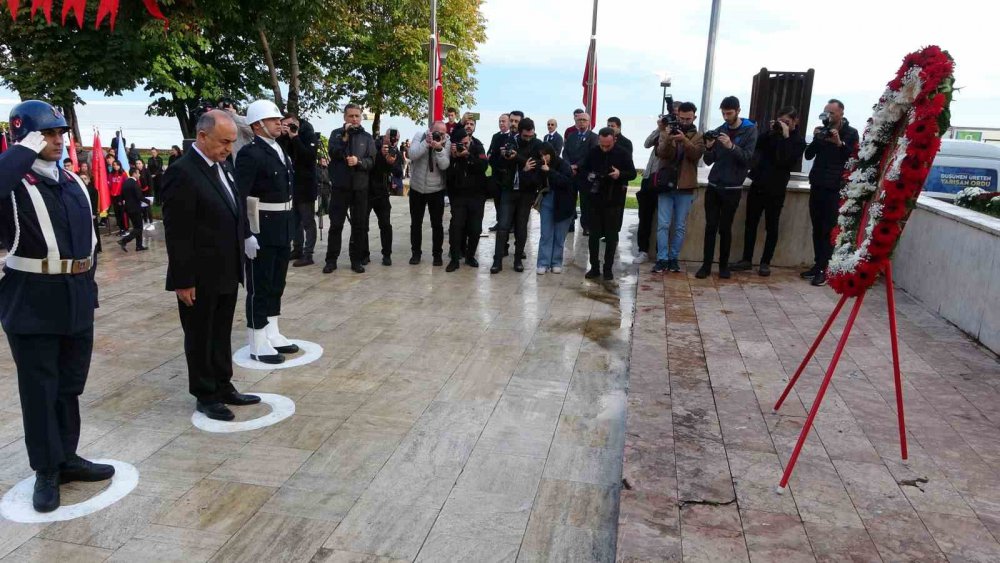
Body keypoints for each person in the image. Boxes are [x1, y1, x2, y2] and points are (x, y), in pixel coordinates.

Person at [0, 100, 111, 513]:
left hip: (76, 298)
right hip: (32, 302)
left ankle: (67, 456)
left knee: (69, 386)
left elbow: (90, 243)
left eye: (60, 133)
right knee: (39, 390)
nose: (57, 140)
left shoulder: (72, 181)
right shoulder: (14, 183)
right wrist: (23, 149)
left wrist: (90, 289)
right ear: (24, 137)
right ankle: (46, 468)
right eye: (47, 133)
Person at [162, 110, 262, 422]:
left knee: (220, 332)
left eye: (232, 143)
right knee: (200, 334)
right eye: (223, 142)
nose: (228, 149)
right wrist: (183, 279)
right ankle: (205, 394)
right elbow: (177, 231)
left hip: (226, 269)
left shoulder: (223, 166)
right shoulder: (183, 172)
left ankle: (223, 383)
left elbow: (232, 209)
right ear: (202, 136)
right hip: (199, 274)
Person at [235, 100, 299, 364]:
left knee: (277, 282)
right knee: (259, 285)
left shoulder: (278, 149)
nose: (279, 123)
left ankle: (272, 331)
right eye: (273, 120)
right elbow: (240, 197)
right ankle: (257, 339)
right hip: (262, 228)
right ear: (258, 124)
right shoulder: (250, 154)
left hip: (282, 226)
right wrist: (247, 234)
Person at [731, 106, 807, 276]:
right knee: (750, 223)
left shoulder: (798, 141)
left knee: (772, 226)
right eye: (781, 121)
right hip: (759, 184)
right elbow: (757, 145)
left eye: (787, 122)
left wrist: (786, 136)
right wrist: (771, 130)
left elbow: (785, 160)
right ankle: (746, 259)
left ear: (796, 121)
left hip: (777, 188)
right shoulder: (772, 136)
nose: (784, 125)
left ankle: (766, 262)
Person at [698, 96, 758, 279]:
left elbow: (748, 159)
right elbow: (709, 161)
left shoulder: (750, 130)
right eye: (723, 113)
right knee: (710, 227)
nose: (725, 117)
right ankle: (706, 266)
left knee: (725, 228)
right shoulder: (719, 130)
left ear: (738, 111)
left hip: (732, 187)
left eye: (729, 113)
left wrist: (731, 146)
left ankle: (723, 266)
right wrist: (708, 148)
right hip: (715, 185)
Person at [802, 99, 860, 286]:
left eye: (832, 113)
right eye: (826, 112)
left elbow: (851, 158)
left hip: (835, 187)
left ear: (841, 114)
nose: (828, 116)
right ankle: (817, 263)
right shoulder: (821, 130)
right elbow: (808, 154)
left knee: (828, 229)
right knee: (817, 227)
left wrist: (838, 143)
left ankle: (824, 269)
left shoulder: (851, 133)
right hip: (818, 183)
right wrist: (817, 138)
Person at [650, 102, 705, 274]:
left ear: (694, 117)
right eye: (682, 118)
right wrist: (665, 135)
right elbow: (661, 153)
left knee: (680, 226)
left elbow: (696, 155)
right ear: (677, 116)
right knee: (663, 225)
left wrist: (684, 140)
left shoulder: (698, 136)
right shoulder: (668, 130)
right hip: (666, 185)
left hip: (685, 186)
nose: (685, 121)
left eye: (689, 118)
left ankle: (673, 258)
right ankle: (662, 259)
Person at [324, 104, 376, 274]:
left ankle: (356, 260)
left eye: (357, 116)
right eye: (351, 116)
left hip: (360, 188)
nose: (354, 119)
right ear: (345, 117)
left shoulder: (367, 137)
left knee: (359, 225)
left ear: (361, 117)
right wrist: (344, 138)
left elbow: (372, 161)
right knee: (336, 225)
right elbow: (333, 152)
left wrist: (359, 162)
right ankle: (331, 260)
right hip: (340, 187)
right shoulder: (336, 134)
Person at [580, 127, 637, 280]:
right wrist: (590, 176)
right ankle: (594, 266)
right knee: (594, 235)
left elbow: (632, 173)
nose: (604, 148)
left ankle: (608, 268)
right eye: (602, 144)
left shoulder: (622, 153)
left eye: (608, 145)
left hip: (614, 199)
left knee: (611, 236)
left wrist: (620, 174)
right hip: (595, 199)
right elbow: (583, 170)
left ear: (614, 140)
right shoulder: (593, 152)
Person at [491, 117, 543, 274]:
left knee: (521, 227)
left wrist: (518, 159)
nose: (528, 138)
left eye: (530, 135)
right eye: (525, 136)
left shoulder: (537, 144)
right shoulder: (510, 141)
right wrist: (505, 157)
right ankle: (497, 261)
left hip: (526, 192)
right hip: (509, 189)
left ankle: (518, 259)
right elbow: (499, 162)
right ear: (520, 132)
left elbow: (534, 164)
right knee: (503, 226)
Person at [445, 118, 488, 271]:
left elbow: (483, 166)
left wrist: (468, 155)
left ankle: (470, 256)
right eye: (461, 142)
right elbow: (448, 174)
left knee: (475, 229)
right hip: (459, 196)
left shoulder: (478, 148)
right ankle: (455, 259)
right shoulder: (452, 153)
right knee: (457, 227)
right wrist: (454, 158)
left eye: (466, 141)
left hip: (477, 195)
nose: (464, 144)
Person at [407, 120, 451, 265]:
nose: (440, 135)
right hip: (417, 188)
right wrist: (426, 143)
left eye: (442, 133)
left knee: (437, 224)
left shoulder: (447, 142)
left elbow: (445, 165)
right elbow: (411, 154)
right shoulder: (420, 136)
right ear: (429, 130)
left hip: (436, 189)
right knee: (416, 223)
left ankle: (437, 255)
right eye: (436, 132)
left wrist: (439, 149)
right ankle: (416, 254)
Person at [279, 113, 319, 268]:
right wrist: (283, 136)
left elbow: (308, 157)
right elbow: (281, 155)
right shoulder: (284, 137)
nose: (289, 128)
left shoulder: (307, 134)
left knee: (307, 220)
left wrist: (295, 137)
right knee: (294, 219)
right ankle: (297, 249)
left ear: (297, 123)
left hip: (306, 184)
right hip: (291, 184)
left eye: (291, 125)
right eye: (285, 125)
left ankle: (308, 254)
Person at [535, 142, 575, 274]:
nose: (543, 158)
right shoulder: (540, 165)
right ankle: (543, 263)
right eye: (541, 156)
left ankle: (556, 262)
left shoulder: (563, 165)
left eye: (545, 155)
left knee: (559, 235)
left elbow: (567, 182)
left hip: (563, 203)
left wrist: (550, 172)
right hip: (547, 200)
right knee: (546, 233)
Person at [366, 129, 401, 266]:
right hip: (367, 191)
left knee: (385, 225)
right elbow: (369, 165)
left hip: (382, 193)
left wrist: (391, 162)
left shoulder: (395, 151)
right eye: (391, 137)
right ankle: (364, 254)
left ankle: (387, 255)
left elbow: (398, 172)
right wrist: (381, 155)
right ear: (385, 136)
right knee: (363, 224)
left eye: (396, 138)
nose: (393, 140)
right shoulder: (373, 145)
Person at [562, 112, 599, 235]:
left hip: (584, 174)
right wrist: (569, 165)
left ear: (589, 122)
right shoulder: (571, 136)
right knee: (569, 200)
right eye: (579, 120)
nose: (581, 122)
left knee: (585, 202)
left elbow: (590, 154)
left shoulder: (593, 137)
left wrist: (577, 165)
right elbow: (565, 152)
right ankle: (569, 224)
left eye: (584, 120)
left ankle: (586, 226)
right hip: (571, 174)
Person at [486, 113, 511, 232]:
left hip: (507, 174)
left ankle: (509, 224)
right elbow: (490, 151)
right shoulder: (495, 136)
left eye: (503, 121)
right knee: (497, 199)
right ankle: (499, 221)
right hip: (496, 173)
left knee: (506, 201)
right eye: (500, 121)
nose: (501, 123)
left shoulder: (511, 137)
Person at [117, 168, 148, 251]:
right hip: (135, 209)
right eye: (138, 173)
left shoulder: (125, 183)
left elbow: (121, 195)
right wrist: (148, 201)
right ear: (134, 174)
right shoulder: (135, 183)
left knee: (136, 227)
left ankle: (139, 246)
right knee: (139, 228)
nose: (139, 175)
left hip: (128, 209)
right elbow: (139, 196)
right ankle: (124, 240)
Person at [108, 159, 128, 235]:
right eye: (114, 165)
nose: (116, 166)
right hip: (114, 196)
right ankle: (121, 228)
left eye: (117, 165)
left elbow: (126, 186)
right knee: (117, 213)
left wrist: (124, 198)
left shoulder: (123, 174)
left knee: (122, 213)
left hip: (121, 196)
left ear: (120, 165)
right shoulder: (111, 174)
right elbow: (109, 185)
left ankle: (125, 229)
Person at [133, 158, 152, 224]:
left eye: (139, 163)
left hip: (147, 191)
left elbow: (150, 182)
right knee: (142, 208)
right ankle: (145, 221)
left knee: (148, 208)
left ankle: (151, 222)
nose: (138, 165)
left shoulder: (146, 171)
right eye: (137, 164)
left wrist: (150, 192)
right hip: (140, 192)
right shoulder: (135, 172)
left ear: (142, 164)